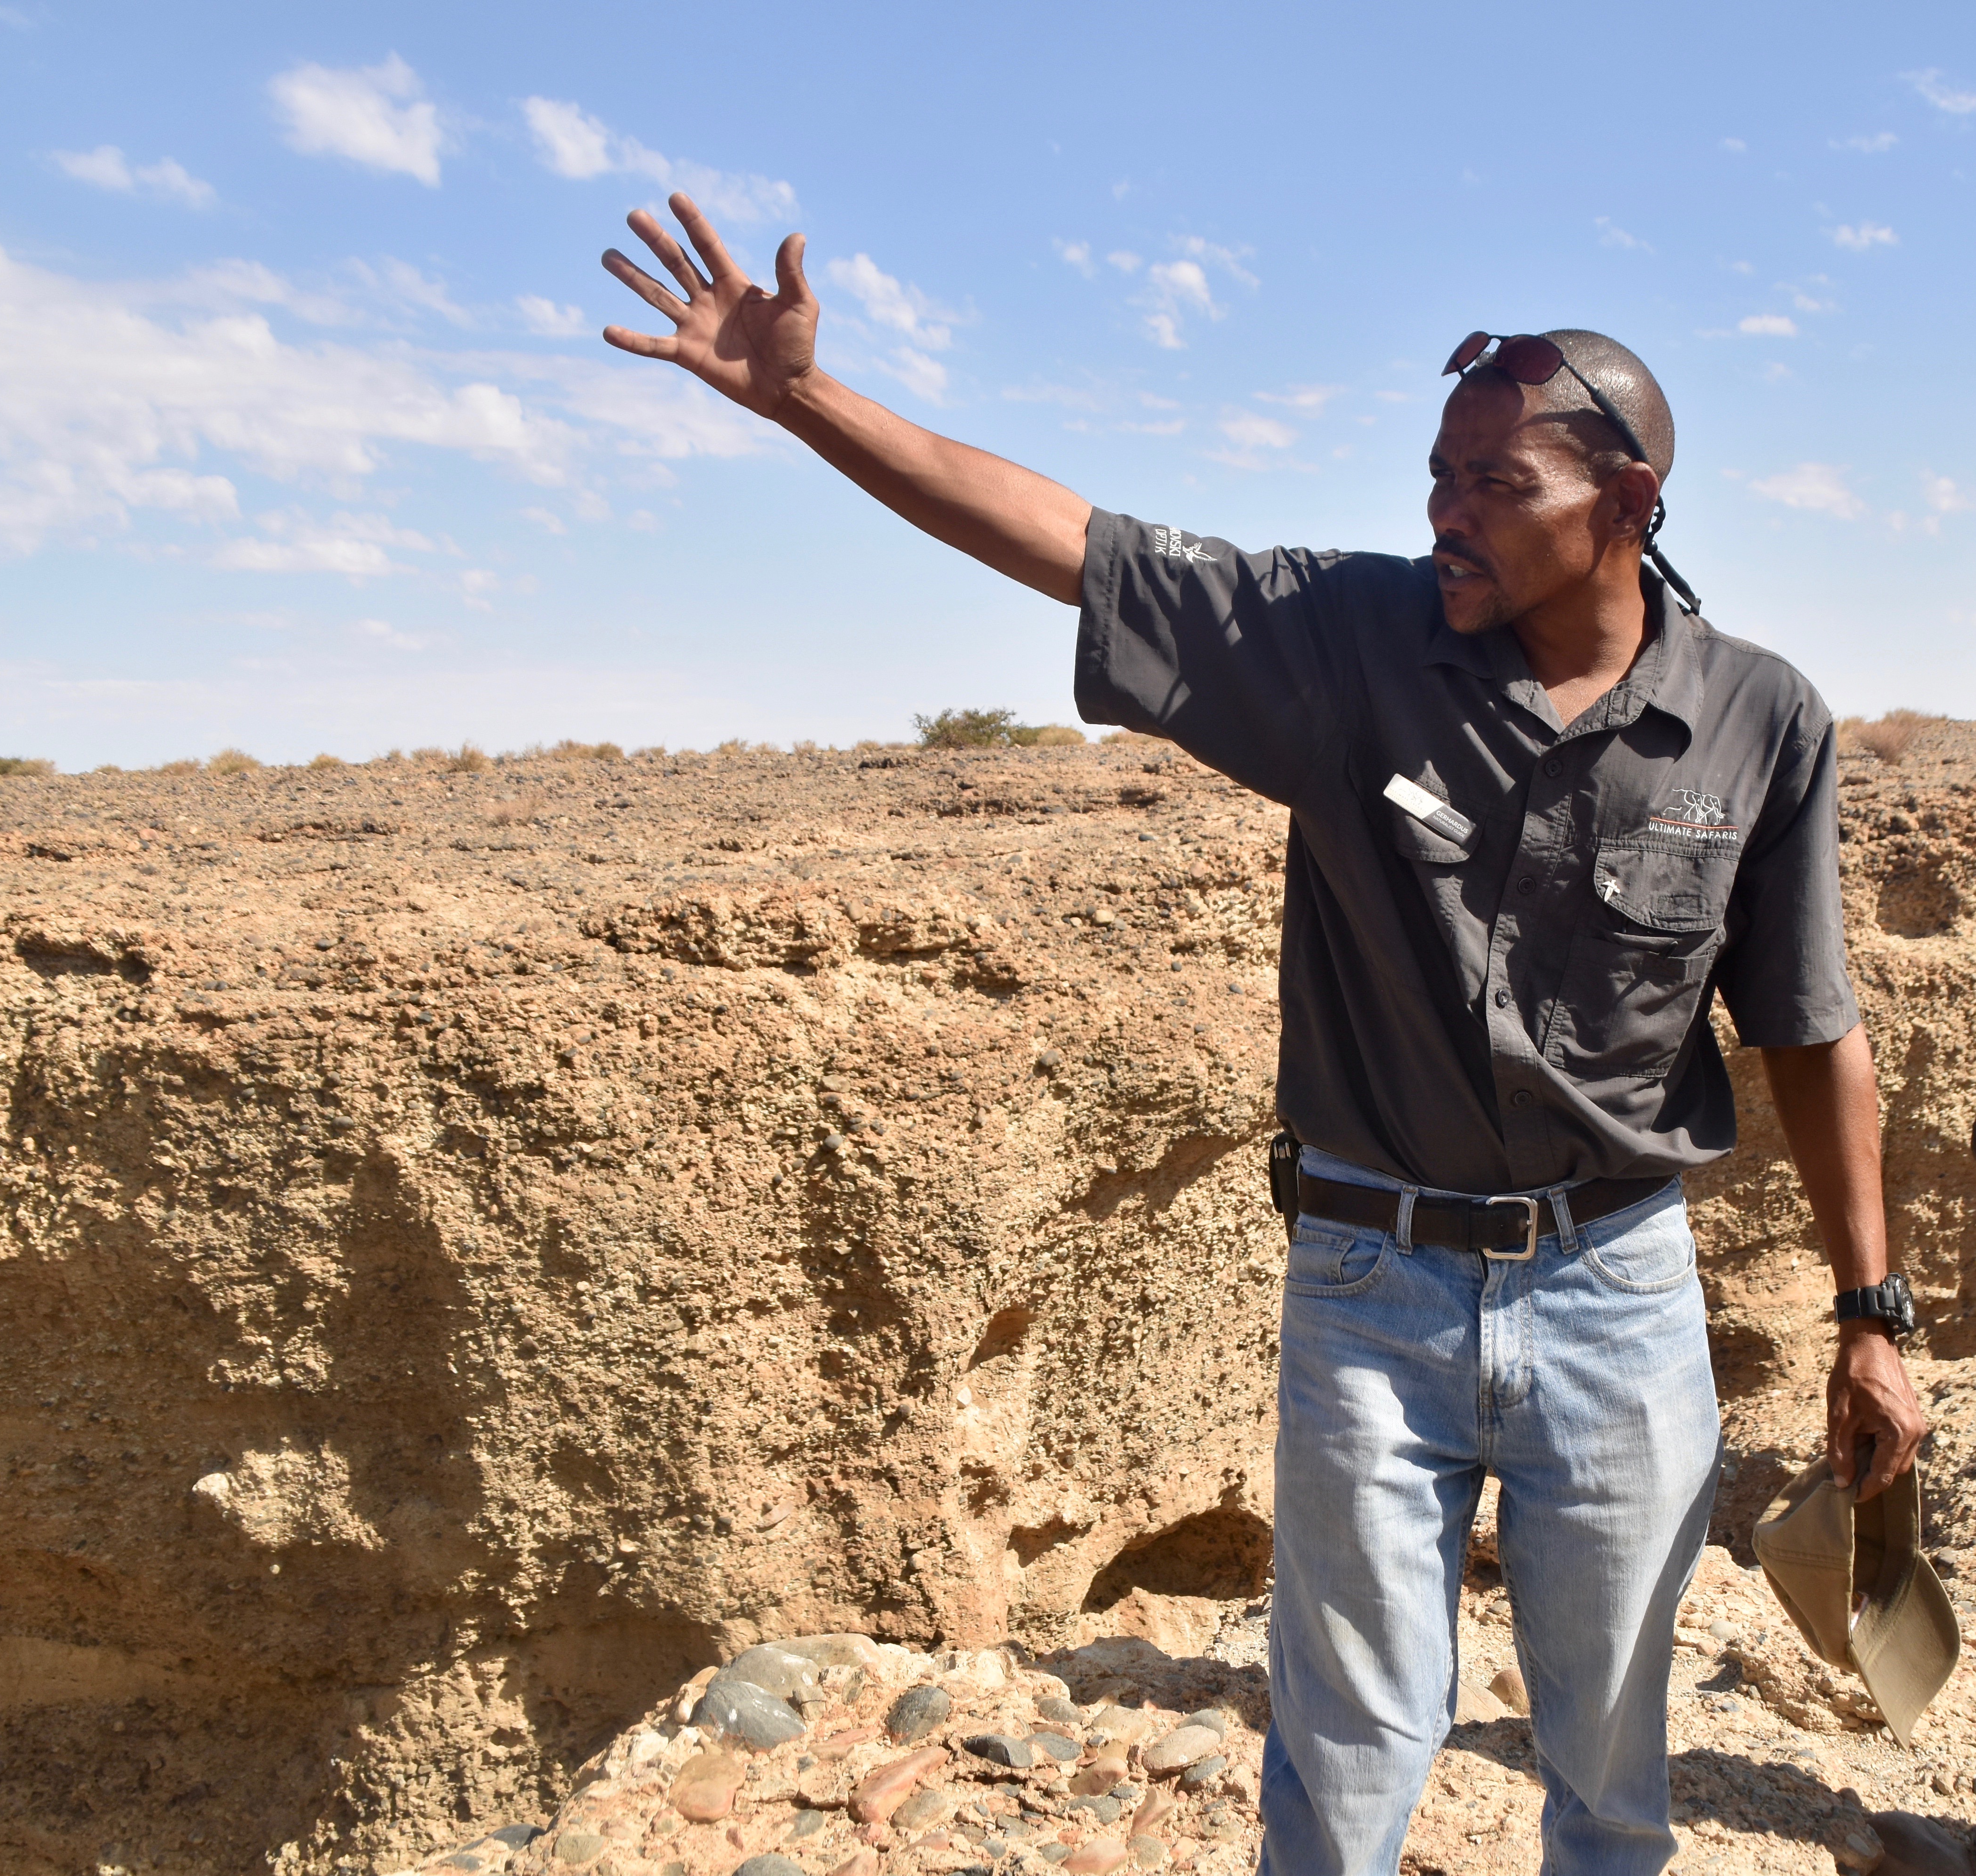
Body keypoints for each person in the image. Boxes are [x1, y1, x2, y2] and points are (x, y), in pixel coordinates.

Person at [600, 194, 1929, 1875]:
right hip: (1371, 1294)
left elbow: (1812, 1032)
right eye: (1433, 475)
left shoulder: (1759, 717)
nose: (1440, 511)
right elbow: (1071, 542)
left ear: (1629, 505)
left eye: (1490, 485)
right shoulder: (1344, 643)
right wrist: (807, 403)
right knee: (1346, 1753)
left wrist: (1870, 1315)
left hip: (1619, 1297)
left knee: (1607, 1762)